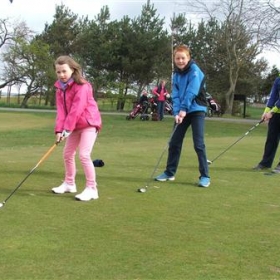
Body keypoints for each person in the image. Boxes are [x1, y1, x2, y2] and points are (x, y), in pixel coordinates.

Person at [154, 45, 210, 187]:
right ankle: (169, 172)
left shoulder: (195, 71)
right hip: (182, 111)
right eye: (177, 58)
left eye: (183, 58)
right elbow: (176, 95)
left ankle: (205, 176)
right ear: (174, 59)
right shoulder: (176, 75)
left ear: (188, 58)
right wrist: (176, 112)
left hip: (197, 109)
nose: (180, 61)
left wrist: (184, 109)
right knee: (174, 142)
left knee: (199, 144)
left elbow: (192, 91)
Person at [51, 55, 102, 201]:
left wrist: (67, 129)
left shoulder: (83, 86)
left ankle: (92, 188)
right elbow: (61, 111)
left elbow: (76, 109)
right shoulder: (60, 89)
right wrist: (59, 130)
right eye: (58, 72)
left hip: (89, 123)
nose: (61, 75)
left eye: (64, 71)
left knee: (84, 155)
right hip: (73, 126)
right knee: (67, 153)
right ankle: (69, 183)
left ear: (73, 70)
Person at [253, 76, 280, 172]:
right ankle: (266, 163)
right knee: (271, 139)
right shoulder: (278, 79)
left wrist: (271, 112)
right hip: (276, 114)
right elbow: (273, 96)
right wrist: (266, 111)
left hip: (275, 111)